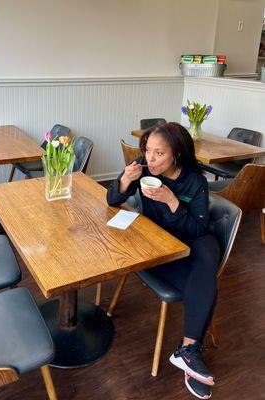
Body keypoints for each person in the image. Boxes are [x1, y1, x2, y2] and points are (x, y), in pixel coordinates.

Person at [107, 122, 220, 399]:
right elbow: (112, 199)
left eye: (159, 153)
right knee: (204, 283)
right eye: (147, 151)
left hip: (185, 245)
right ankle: (190, 351)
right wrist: (124, 179)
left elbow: (197, 228)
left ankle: (188, 350)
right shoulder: (142, 167)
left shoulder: (194, 181)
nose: (150, 159)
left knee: (207, 248)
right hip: (154, 246)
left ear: (177, 154)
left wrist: (172, 202)